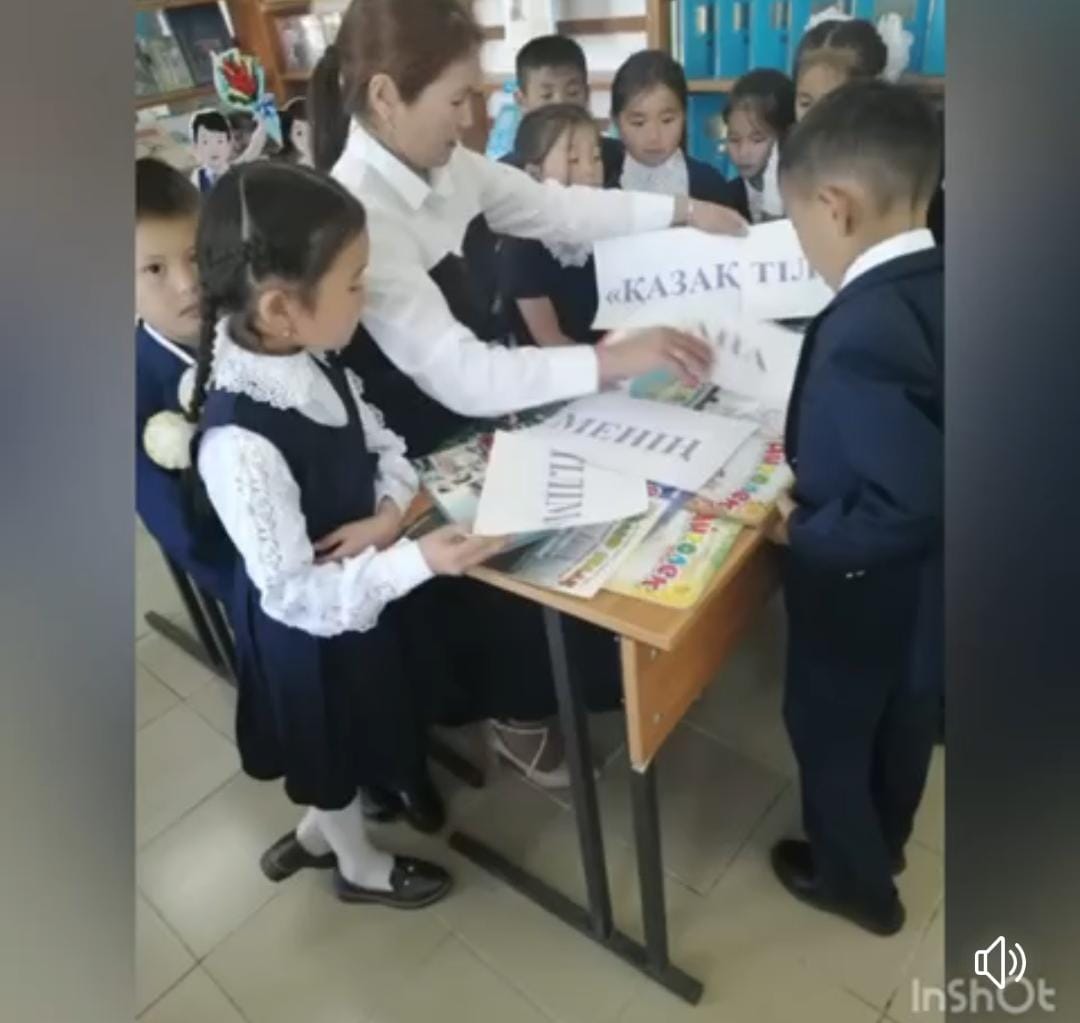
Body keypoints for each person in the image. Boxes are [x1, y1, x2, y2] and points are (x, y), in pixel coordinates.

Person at [307, 0, 742, 781]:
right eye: (457, 99)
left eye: (475, 96)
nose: (473, 118)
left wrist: (684, 210)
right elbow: (459, 372)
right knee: (508, 593)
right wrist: (611, 361)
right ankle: (513, 713)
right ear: (384, 97)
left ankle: (592, 686)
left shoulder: (449, 164)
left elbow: (557, 208)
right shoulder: (360, 209)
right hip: (412, 440)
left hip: (487, 399)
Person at [188, 161, 506, 908]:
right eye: (355, 282)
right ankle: (356, 865)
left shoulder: (309, 356)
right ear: (280, 307)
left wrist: (391, 517)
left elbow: (383, 445)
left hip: (362, 586)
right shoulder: (239, 441)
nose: (368, 294)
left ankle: (318, 832)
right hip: (307, 627)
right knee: (328, 747)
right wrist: (416, 559)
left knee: (368, 718)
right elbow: (294, 591)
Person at [768, 81, 943, 936]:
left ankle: (855, 883)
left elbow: (907, 499)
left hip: (865, 591)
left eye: (795, 223)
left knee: (831, 732)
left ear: (834, 207)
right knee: (904, 726)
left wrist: (803, 530)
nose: (801, 246)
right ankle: (887, 843)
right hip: (929, 599)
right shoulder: (945, 277)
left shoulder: (867, 326)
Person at [135, 157, 234, 602]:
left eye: (196, 256)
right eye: (155, 269)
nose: (188, 284)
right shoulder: (131, 392)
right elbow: (186, 534)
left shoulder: (254, 324)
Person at [793, 15, 944, 245]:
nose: (815, 118)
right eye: (805, 103)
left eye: (834, 103)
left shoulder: (902, 171)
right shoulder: (787, 159)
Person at [498, 104, 606, 348]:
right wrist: (621, 362)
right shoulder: (522, 245)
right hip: (554, 366)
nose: (590, 170)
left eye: (596, 157)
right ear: (534, 174)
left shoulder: (609, 227)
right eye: (573, 160)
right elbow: (550, 341)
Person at [608, 49, 742, 208]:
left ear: (684, 115)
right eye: (638, 123)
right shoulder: (603, 192)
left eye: (667, 121)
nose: (654, 136)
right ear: (617, 121)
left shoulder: (710, 185)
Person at [504, 34, 624, 184]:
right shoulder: (505, 175)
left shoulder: (618, 158)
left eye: (572, 93)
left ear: (587, 95)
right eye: (547, 96)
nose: (561, 104)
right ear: (522, 101)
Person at [723, 69, 795, 225]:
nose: (743, 152)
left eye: (757, 140)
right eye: (734, 140)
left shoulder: (806, 195)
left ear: (786, 137)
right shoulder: (724, 196)